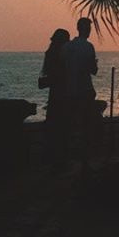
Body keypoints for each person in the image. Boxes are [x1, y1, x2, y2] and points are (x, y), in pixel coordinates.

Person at [63, 17, 98, 170]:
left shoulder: (67, 47)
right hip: (84, 89)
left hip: (70, 90)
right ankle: (85, 160)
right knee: (87, 126)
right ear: (86, 29)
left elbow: (63, 67)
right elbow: (93, 70)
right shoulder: (88, 47)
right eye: (89, 28)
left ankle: (67, 158)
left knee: (70, 125)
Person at [39, 28, 70, 171]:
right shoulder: (61, 55)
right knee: (62, 128)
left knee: (54, 127)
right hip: (63, 95)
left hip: (55, 96)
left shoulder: (51, 54)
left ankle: (54, 159)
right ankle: (60, 160)